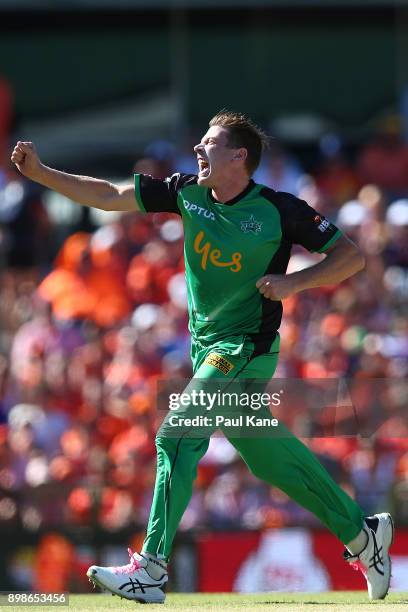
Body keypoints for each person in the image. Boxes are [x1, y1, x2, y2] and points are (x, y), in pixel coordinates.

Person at [11, 111, 393, 603]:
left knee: (177, 431)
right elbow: (108, 196)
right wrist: (42, 174)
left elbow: (350, 256)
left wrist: (293, 282)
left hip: (243, 348)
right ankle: (363, 536)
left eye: (209, 143)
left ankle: (150, 568)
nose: (197, 150)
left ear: (239, 157)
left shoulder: (280, 209)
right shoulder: (185, 191)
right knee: (266, 456)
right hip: (208, 350)